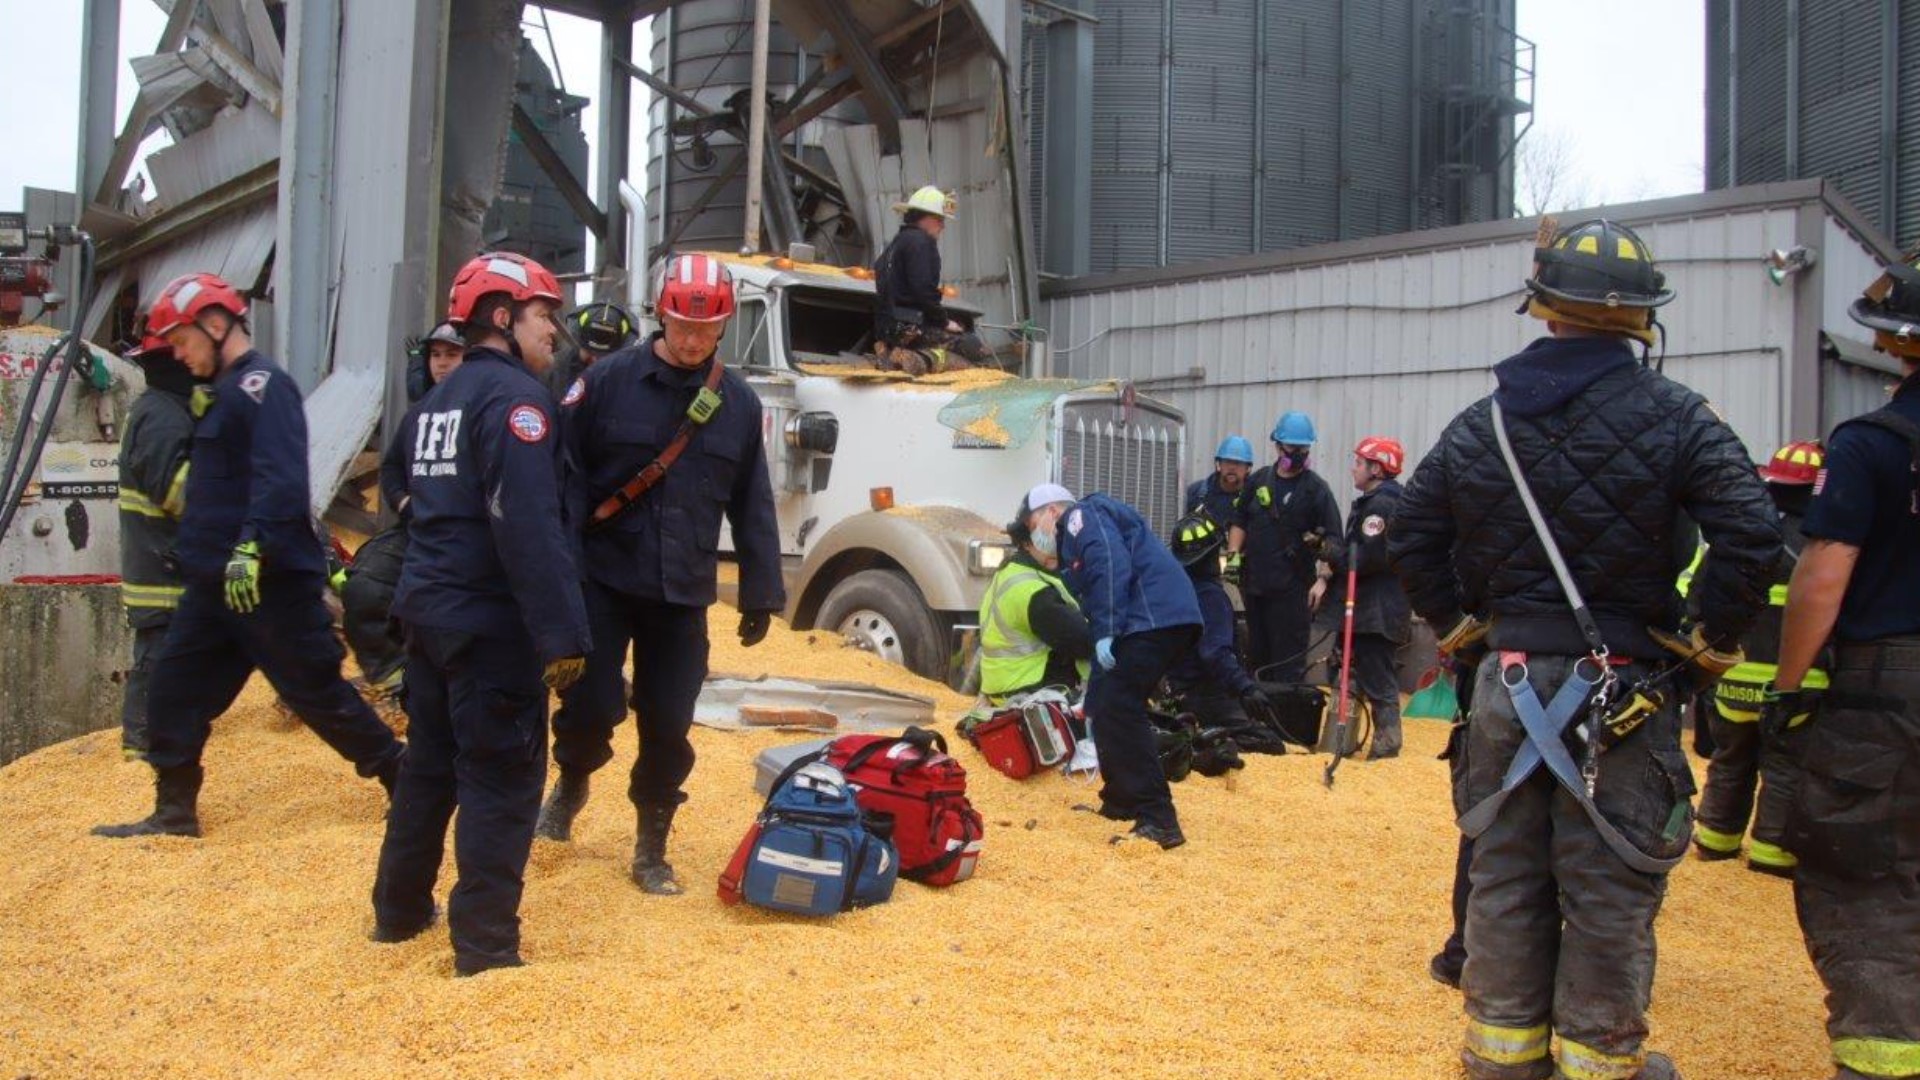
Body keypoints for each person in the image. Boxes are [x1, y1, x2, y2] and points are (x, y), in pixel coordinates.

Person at [1389, 218, 1779, 1080]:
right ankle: (1601, 1064)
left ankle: (1500, 1059)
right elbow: (1753, 531)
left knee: (1506, 875)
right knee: (1606, 885)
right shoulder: (1680, 417)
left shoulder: (1481, 424)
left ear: (1544, 310)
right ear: (1644, 319)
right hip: (1627, 690)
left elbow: (1411, 532)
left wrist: (1461, 627)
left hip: (1508, 682)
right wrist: (1709, 638)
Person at [94, 273, 407, 839]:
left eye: (184, 341)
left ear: (216, 325)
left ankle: (400, 775)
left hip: (267, 585)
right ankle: (174, 811)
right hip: (215, 586)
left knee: (316, 694)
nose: (180, 355)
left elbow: (281, 479)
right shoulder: (218, 394)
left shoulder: (264, 387)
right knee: (172, 689)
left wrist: (250, 546)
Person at [369, 251, 591, 977]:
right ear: (502, 317)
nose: (553, 331)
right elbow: (528, 524)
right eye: (541, 315)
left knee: (430, 769)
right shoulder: (516, 404)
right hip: (490, 628)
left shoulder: (436, 403)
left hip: (428, 617)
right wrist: (563, 637)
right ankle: (486, 949)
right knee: (501, 783)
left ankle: (398, 914)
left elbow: (405, 495)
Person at [536, 253, 785, 896]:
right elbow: (562, 478)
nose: (692, 339)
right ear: (661, 316)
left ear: (724, 328)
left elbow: (751, 501)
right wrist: (557, 574)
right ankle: (572, 778)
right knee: (590, 704)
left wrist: (761, 591)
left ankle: (651, 842)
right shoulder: (605, 383)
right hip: (604, 578)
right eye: (681, 326)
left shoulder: (736, 403)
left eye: (705, 330)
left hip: (682, 590)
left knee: (669, 719)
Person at [1772, 250, 1920, 1080]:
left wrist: (1790, 690)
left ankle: (1883, 1060)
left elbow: (1823, 579)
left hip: (1889, 686)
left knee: (1865, 870)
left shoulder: (1873, 444)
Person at [1027, 484, 1201, 848]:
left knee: (1120, 706)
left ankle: (1159, 818)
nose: (1036, 535)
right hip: (1154, 618)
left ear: (1051, 511)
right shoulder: (1077, 537)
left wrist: (1106, 630)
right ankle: (1122, 799)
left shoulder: (1080, 516)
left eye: (1034, 524)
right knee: (1103, 705)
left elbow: (1109, 563)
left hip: (1151, 618)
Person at [1690, 440, 1827, 877]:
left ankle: (1714, 840)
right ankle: (1771, 854)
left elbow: (1698, 597)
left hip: (1732, 679)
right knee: (1785, 768)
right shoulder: (1822, 544)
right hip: (1798, 683)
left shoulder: (1745, 536)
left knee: (1730, 761)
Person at [339, 323, 469, 700]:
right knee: (364, 586)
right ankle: (397, 684)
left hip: (469, 538)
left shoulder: (489, 406)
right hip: (417, 527)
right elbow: (392, 468)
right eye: (436, 355)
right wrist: (404, 502)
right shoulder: (419, 415)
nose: (442, 364)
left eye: (452, 355)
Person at [114, 325, 195, 760]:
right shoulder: (162, 418)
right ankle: (141, 751)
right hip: (163, 572)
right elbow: (183, 496)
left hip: (168, 565)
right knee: (159, 663)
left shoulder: (169, 408)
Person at [1225, 411, 1344, 683]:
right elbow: (1239, 519)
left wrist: (1323, 580)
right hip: (1255, 588)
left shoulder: (1317, 490)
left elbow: (1335, 542)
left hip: (1293, 592)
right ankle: (1258, 720)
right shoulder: (1258, 481)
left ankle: (1284, 721)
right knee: (1257, 661)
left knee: (1287, 666)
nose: (1299, 454)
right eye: (1293, 448)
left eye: (1304, 448)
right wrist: (1231, 558)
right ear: (1278, 446)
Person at [1164, 508, 1271, 743]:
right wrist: (1246, 688)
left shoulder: (1172, 591)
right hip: (1206, 694)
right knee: (1269, 742)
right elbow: (1214, 653)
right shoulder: (1210, 596)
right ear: (1213, 554)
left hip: (1175, 691)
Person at [1340, 436, 1413, 760]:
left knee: (1376, 672)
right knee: (1362, 670)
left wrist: (1333, 554)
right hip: (1373, 605)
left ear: (1377, 468)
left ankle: (1387, 743)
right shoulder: (1376, 502)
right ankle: (1351, 738)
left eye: (1359, 463)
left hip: (1378, 607)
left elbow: (1368, 557)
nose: (1353, 469)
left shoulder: (1382, 506)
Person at [979, 502, 1093, 705]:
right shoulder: (1033, 592)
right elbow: (1082, 639)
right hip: (1032, 693)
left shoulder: (1013, 571)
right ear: (1026, 542)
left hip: (1006, 689)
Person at [871, 185, 989, 374]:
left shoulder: (895, 244)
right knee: (974, 347)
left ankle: (891, 354)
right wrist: (943, 322)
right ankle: (921, 359)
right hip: (914, 330)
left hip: (890, 330)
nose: (942, 226)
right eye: (939, 219)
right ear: (924, 217)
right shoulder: (921, 242)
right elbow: (923, 290)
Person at [546, 301, 638, 399]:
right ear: (578, 342)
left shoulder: (633, 380)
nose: (594, 360)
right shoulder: (550, 371)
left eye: (603, 358)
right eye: (589, 353)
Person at [1187, 435, 1254, 524]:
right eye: (1227, 462)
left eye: (1238, 463)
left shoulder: (1254, 497)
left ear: (1248, 468)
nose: (1232, 467)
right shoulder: (1196, 492)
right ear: (1218, 464)